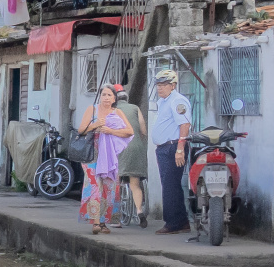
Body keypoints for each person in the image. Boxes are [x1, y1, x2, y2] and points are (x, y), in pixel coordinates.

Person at [75, 84, 133, 234]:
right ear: (100, 97)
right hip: (92, 155)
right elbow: (81, 130)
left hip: (109, 156)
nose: (106, 98)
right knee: (94, 186)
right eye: (104, 95)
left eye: (109, 95)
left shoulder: (117, 112)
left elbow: (129, 131)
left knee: (109, 187)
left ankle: (103, 222)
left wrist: (110, 130)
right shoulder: (92, 109)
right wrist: (95, 125)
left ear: (114, 99)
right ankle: (95, 222)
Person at [148, 67, 193, 233]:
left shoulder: (177, 101)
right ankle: (181, 221)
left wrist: (180, 149)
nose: (160, 87)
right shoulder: (164, 101)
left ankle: (173, 223)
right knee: (170, 185)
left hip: (174, 146)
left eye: (164, 84)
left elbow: (185, 124)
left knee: (170, 185)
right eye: (158, 84)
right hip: (165, 148)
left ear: (173, 85)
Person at [112, 81, 148, 227]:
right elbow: (143, 130)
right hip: (137, 147)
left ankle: (118, 218)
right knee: (135, 184)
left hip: (119, 148)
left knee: (116, 181)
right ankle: (139, 211)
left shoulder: (112, 111)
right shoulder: (135, 107)